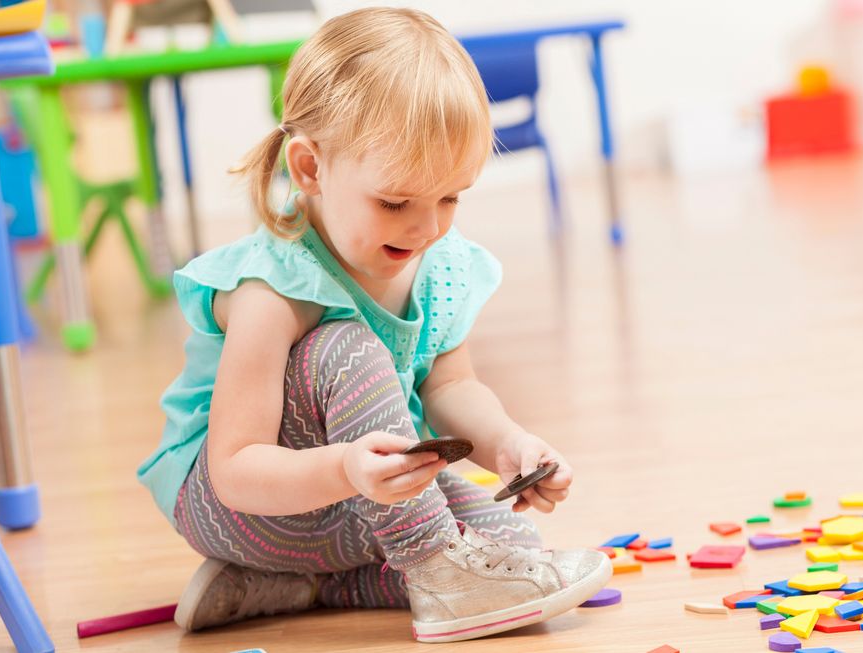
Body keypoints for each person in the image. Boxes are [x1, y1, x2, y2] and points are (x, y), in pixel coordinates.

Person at [137, 7, 611, 643]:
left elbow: (450, 388)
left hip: (353, 497)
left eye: (450, 197)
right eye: (395, 202)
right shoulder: (271, 288)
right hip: (238, 507)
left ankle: (304, 587)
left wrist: (508, 445)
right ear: (310, 169)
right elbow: (235, 468)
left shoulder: (436, 263)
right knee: (346, 344)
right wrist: (344, 472)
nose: (427, 228)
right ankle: (434, 574)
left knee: (516, 541)